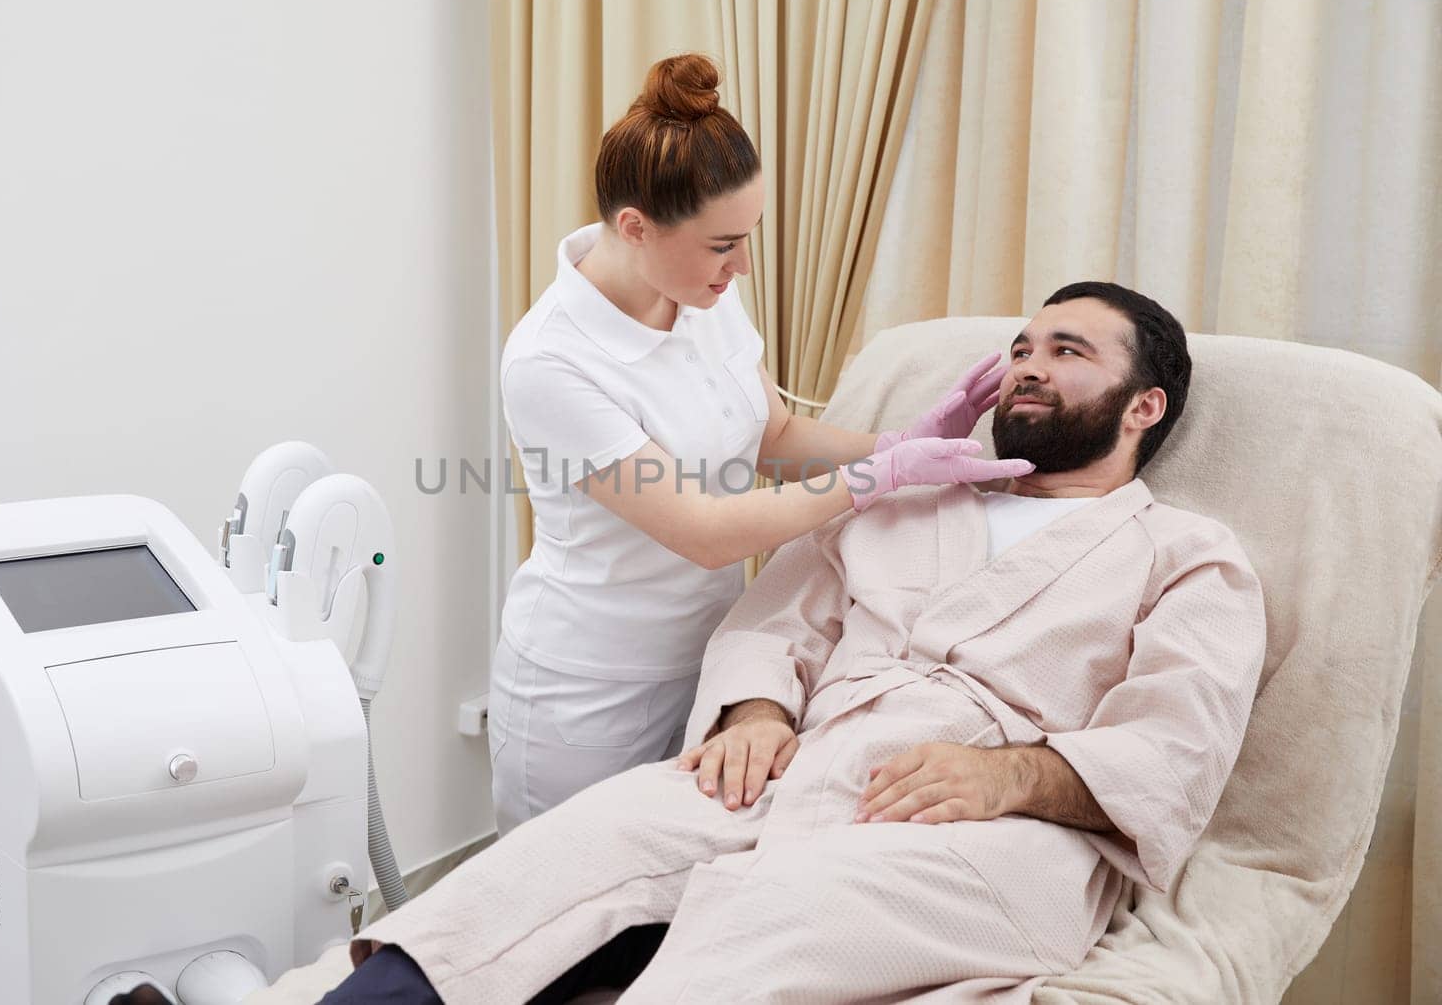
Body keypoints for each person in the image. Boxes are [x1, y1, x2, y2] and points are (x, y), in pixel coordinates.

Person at [308, 281, 1269, 1004]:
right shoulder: (910, 495)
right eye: (1021, 347)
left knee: (771, 920)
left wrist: (1007, 777)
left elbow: (1175, 747)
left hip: (985, 829)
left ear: (1143, 406)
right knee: (560, 856)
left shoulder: (1188, 557)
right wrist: (758, 709)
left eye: (1067, 351)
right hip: (789, 770)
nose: (1027, 365)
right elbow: (775, 619)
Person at [490, 52, 1031, 833]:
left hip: (711, 661)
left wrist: (898, 439)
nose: (741, 265)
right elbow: (705, 532)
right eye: (721, 245)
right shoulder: (553, 361)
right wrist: (879, 476)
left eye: (748, 237)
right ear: (635, 228)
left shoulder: (704, 293)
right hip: (588, 694)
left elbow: (770, 435)